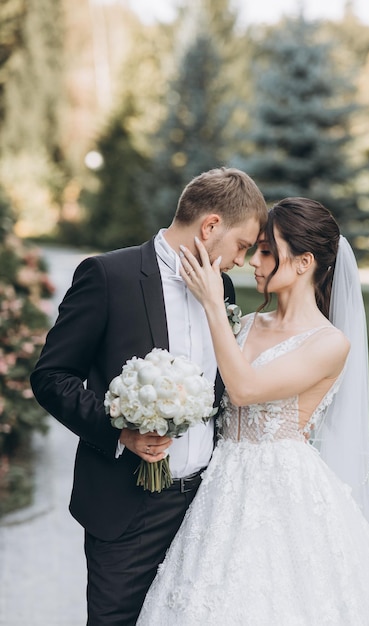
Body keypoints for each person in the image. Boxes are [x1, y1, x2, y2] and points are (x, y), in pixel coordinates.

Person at [137, 197, 369, 625]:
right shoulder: (246, 324)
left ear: (304, 262)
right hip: (220, 484)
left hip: (282, 490)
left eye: (268, 250)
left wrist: (212, 304)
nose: (254, 261)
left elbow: (245, 389)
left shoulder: (329, 343)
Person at [30, 167, 268, 625]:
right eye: (241, 245)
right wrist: (120, 430)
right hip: (128, 509)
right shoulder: (108, 276)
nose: (240, 261)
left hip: (204, 506)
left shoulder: (224, 290)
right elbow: (51, 376)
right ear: (211, 226)